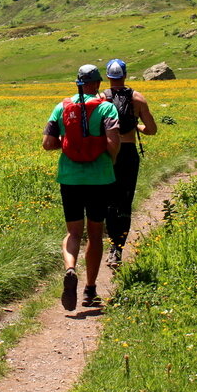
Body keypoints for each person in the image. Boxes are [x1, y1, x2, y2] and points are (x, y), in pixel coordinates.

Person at [43, 64, 120, 310]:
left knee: (73, 232)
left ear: (77, 82)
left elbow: (47, 143)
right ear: (97, 83)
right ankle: (90, 290)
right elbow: (113, 142)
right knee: (96, 234)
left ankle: (70, 268)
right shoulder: (107, 107)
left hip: (70, 178)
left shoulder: (61, 107)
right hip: (100, 179)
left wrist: (68, 146)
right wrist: (111, 161)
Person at [101, 58, 157, 268]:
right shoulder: (138, 99)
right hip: (128, 153)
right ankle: (117, 248)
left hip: (107, 152)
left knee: (108, 200)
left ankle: (106, 243)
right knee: (125, 201)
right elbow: (151, 130)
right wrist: (136, 127)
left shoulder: (100, 99)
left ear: (108, 76)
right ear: (124, 75)